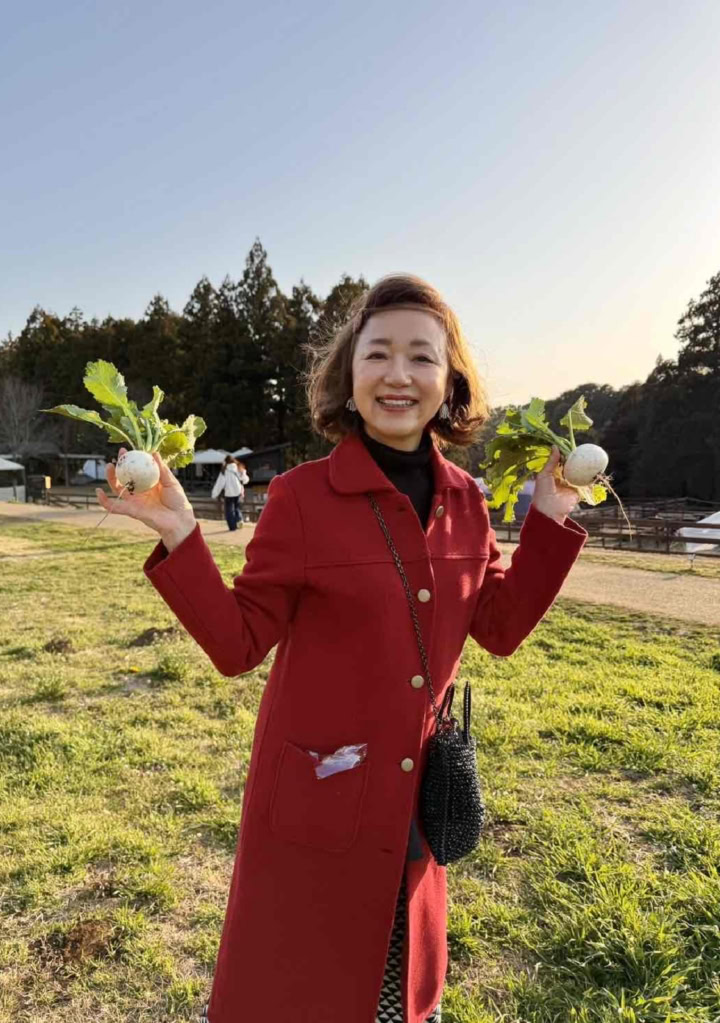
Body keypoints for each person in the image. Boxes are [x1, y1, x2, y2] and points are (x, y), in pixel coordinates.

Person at [96, 273, 587, 1023]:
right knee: (297, 990)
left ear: (450, 380)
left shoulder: (467, 504)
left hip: (414, 808)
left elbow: (500, 626)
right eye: (377, 354)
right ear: (348, 376)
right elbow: (238, 643)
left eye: (421, 358)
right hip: (313, 810)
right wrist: (179, 533)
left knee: (396, 993)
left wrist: (550, 518)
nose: (398, 375)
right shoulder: (300, 497)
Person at [211, 455, 247, 531]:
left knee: (229, 511)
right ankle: (239, 520)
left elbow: (219, 484)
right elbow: (245, 479)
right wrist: (243, 473)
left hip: (229, 493)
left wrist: (214, 494)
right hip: (238, 491)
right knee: (237, 508)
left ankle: (232, 527)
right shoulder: (237, 468)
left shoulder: (224, 471)